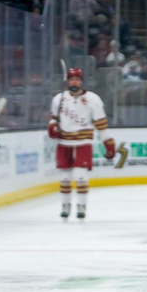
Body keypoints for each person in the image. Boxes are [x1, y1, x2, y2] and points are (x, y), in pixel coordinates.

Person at [48, 67, 115, 221]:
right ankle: (65, 206)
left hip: (83, 142)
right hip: (64, 142)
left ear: (82, 81)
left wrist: (108, 143)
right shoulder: (58, 99)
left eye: (77, 79)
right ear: (68, 81)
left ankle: (81, 206)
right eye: (72, 79)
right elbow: (54, 119)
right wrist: (52, 127)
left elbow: (101, 125)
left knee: (80, 176)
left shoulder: (93, 99)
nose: (74, 82)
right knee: (64, 177)